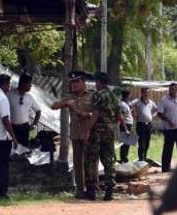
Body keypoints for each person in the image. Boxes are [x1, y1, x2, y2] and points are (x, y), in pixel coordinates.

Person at [51, 71, 96, 199]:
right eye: (72, 82)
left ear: (83, 82)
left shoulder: (92, 95)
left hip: (89, 134)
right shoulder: (70, 97)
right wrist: (66, 103)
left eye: (76, 82)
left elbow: (99, 113)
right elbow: (53, 105)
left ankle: (93, 188)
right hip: (76, 135)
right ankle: (80, 190)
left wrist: (88, 115)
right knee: (78, 163)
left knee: (91, 162)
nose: (74, 85)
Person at [84, 71, 120, 201]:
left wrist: (88, 131)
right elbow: (119, 118)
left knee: (90, 159)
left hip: (97, 131)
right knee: (109, 160)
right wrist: (109, 124)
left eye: (95, 82)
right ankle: (109, 191)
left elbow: (95, 115)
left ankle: (91, 191)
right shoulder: (114, 97)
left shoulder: (98, 95)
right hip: (110, 132)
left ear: (98, 82)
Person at [7, 73, 41, 147]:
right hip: (12, 128)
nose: (31, 86)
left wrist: (34, 124)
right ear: (23, 84)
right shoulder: (9, 94)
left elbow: (38, 111)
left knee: (23, 149)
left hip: (25, 128)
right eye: (29, 84)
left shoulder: (29, 97)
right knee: (12, 149)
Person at [157, 83, 177, 172]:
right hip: (169, 129)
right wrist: (168, 121)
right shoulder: (164, 100)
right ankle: (165, 168)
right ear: (169, 89)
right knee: (168, 148)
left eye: (175, 89)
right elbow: (159, 113)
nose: (173, 91)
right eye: (172, 89)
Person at [131, 87, 158, 162]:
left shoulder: (151, 102)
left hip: (148, 125)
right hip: (140, 124)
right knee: (141, 142)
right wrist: (133, 114)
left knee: (147, 142)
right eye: (145, 92)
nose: (146, 94)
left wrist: (153, 115)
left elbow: (157, 109)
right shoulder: (137, 101)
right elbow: (129, 107)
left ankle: (145, 157)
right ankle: (141, 158)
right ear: (141, 93)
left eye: (148, 92)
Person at [119, 89, 133, 163]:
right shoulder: (123, 104)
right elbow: (122, 117)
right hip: (125, 125)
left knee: (128, 142)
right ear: (127, 95)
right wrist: (126, 129)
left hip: (129, 124)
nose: (130, 96)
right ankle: (123, 158)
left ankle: (125, 157)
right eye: (129, 95)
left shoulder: (127, 103)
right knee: (124, 143)